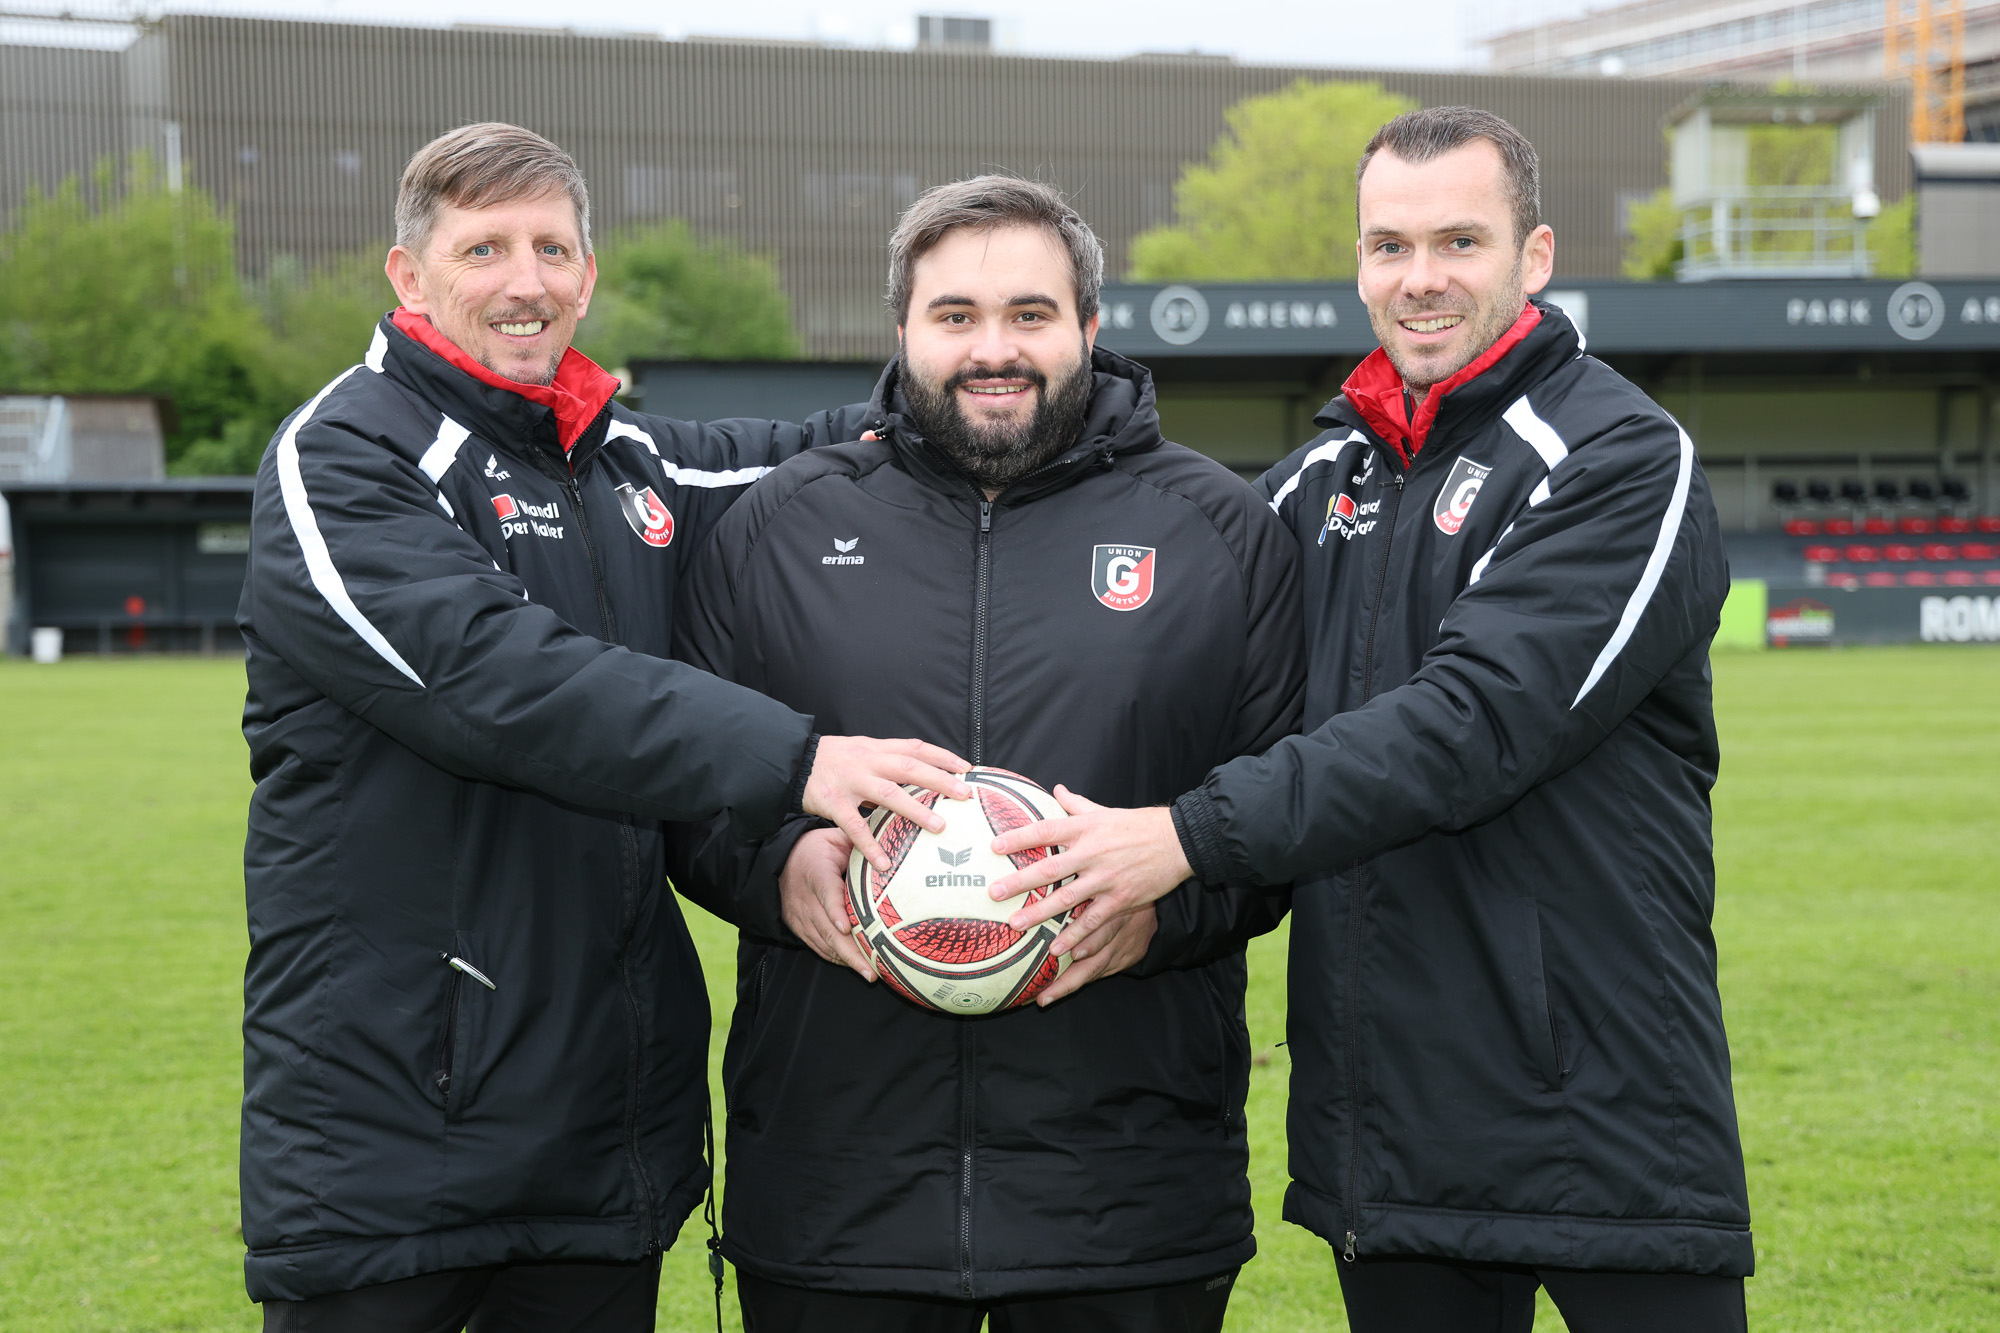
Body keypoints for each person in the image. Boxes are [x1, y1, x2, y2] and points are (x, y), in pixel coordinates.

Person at [991, 108, 1752, 1331]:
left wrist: (1178, 838)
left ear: (1534, 255)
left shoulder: (1614, 455)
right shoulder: (1311, 486)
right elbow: (1178, 699)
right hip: (1384, 1119)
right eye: (1387, 245)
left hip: (1597, 1102)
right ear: (1357, 262)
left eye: (1459, 239)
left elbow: (1473, 725)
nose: (1420, 277)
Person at [237, 123, 969, 1332]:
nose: (524, 280)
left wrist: (982, 361)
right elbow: (493, 678)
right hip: (395, 1135)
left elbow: (818, 450)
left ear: (586, 272)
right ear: (408, 277)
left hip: (599, 1136)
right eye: (484, 248)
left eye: (552, 247)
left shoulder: (623, 463)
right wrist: (798, 756)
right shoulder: (345, 452)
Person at [669, 176, 1304, 1332]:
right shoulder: (776, 526)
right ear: (902, 330)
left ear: (1089, 329)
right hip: (836, 1193)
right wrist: (777, 872)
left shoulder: (1218, 532)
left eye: (1029, 314)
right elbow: (697, 795)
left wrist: (1162, 912)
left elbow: (1275, 816)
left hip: (1124, 1198)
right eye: (955, 315)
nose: (992, 349)